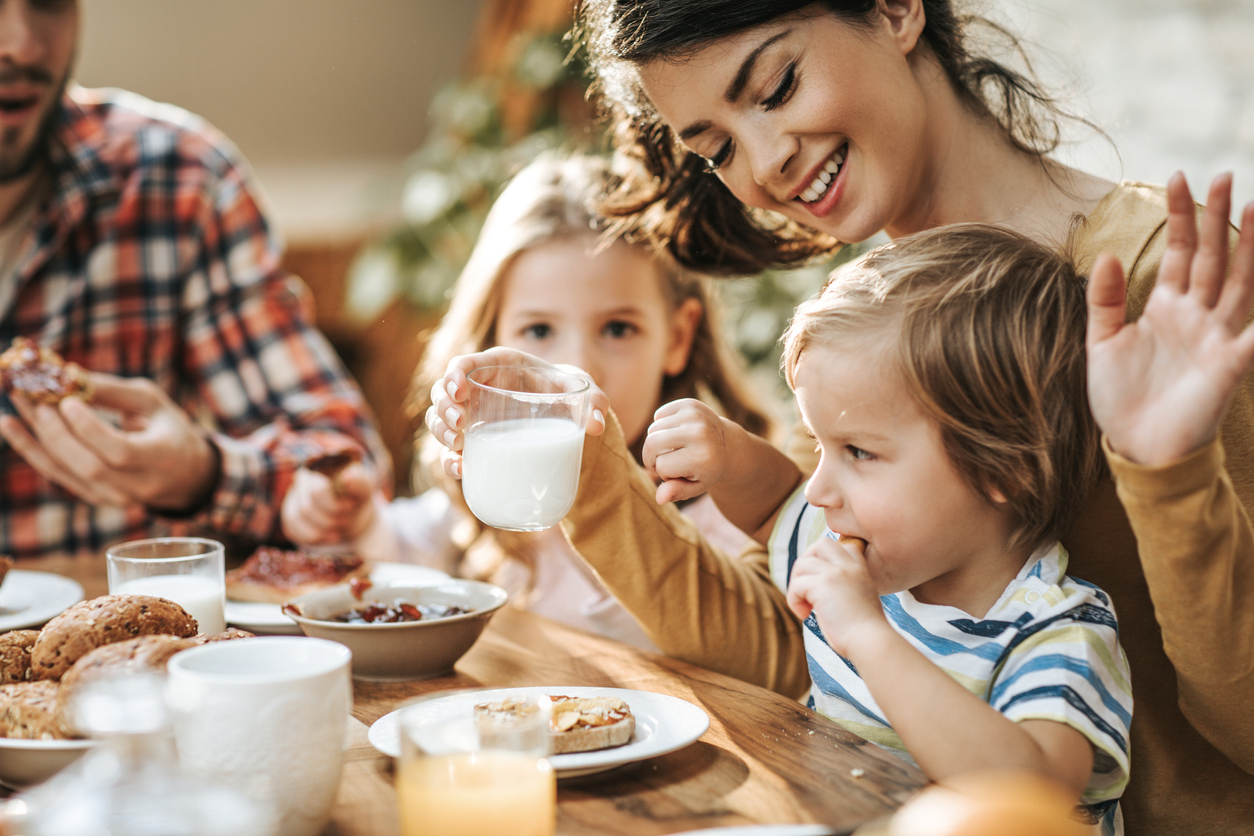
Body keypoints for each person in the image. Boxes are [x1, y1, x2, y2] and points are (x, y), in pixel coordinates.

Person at [425, 2, 1254, 831]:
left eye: (778, 86)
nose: (764, 166)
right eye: (715, 149)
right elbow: (789, 645)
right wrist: (593, 456)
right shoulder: (866, 320)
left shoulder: (1168, 292)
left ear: (895, 9)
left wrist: (1171, 475)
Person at [651, 224, 1133, 832]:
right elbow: (776, 505)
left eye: (858, 452)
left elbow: (1026, 789)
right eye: (821, 446)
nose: (819, 490)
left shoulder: (1060, 633)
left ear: (1002, 470)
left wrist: (867, 636)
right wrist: (725, 451)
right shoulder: (858, 553)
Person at [279, 155, 772, 649]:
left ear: (677, 338)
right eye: (539, 330)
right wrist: (351, 522)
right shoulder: (485, 502)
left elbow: (735, 651)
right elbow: (403, 554)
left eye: (618, 329)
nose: (577, 369)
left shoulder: (723, 517)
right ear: (493, 342)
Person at [0, 0, 389, 559]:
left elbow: (347, 469)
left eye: (50, 2)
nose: (25, 45)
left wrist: (202, 475)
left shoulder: (180, 180)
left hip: (141, 640)